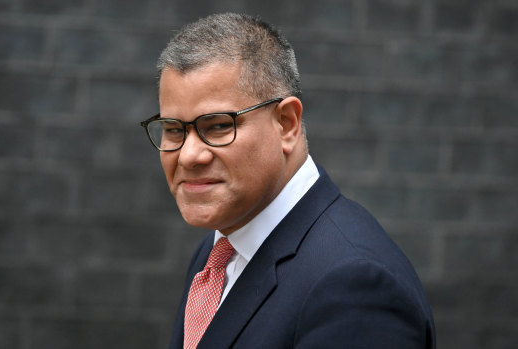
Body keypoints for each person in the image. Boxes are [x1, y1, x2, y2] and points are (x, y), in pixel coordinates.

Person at [141, 13, 436, 349]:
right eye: (174, 129)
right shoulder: (220, 250)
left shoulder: (354, 286)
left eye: (218, 126)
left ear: (286, 124)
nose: (189, 155)